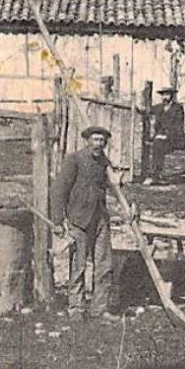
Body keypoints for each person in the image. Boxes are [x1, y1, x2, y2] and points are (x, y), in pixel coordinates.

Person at [50, 125, 120, 319]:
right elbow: (58, 191)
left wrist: (129, 204)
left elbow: (115, 187)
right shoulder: (74, 160)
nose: (98, 144)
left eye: (102, 141)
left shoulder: (104, 163)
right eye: (95, 140)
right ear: (87, 141)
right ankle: (76, 308)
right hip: (79, 220)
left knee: (104, 265)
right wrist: (58, 220)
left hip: (100, 219)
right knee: (78, 266)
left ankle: (100, 308)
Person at [148, 87, 185, 182]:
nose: (165, 97)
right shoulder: (158, 108)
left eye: (167, 94)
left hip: (175, 138)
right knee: (157, 143)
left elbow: (178, 126)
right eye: (163, 95)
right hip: (160, 137)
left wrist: (166, 135)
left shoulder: (177, 108)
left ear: (172, 96)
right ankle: (154, 173)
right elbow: (146, 110)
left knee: (158, 145)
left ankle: (155, 174)